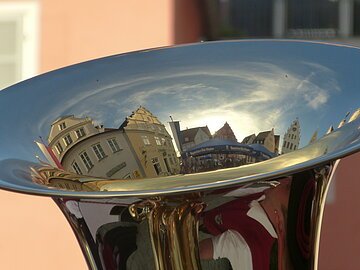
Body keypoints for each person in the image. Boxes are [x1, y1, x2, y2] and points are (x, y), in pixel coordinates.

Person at [199, 178, 292, 270]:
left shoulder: (249, 249)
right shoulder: (271, 194)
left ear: (279, 219)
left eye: (288, 188)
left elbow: (197, 251)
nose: (287, 180)